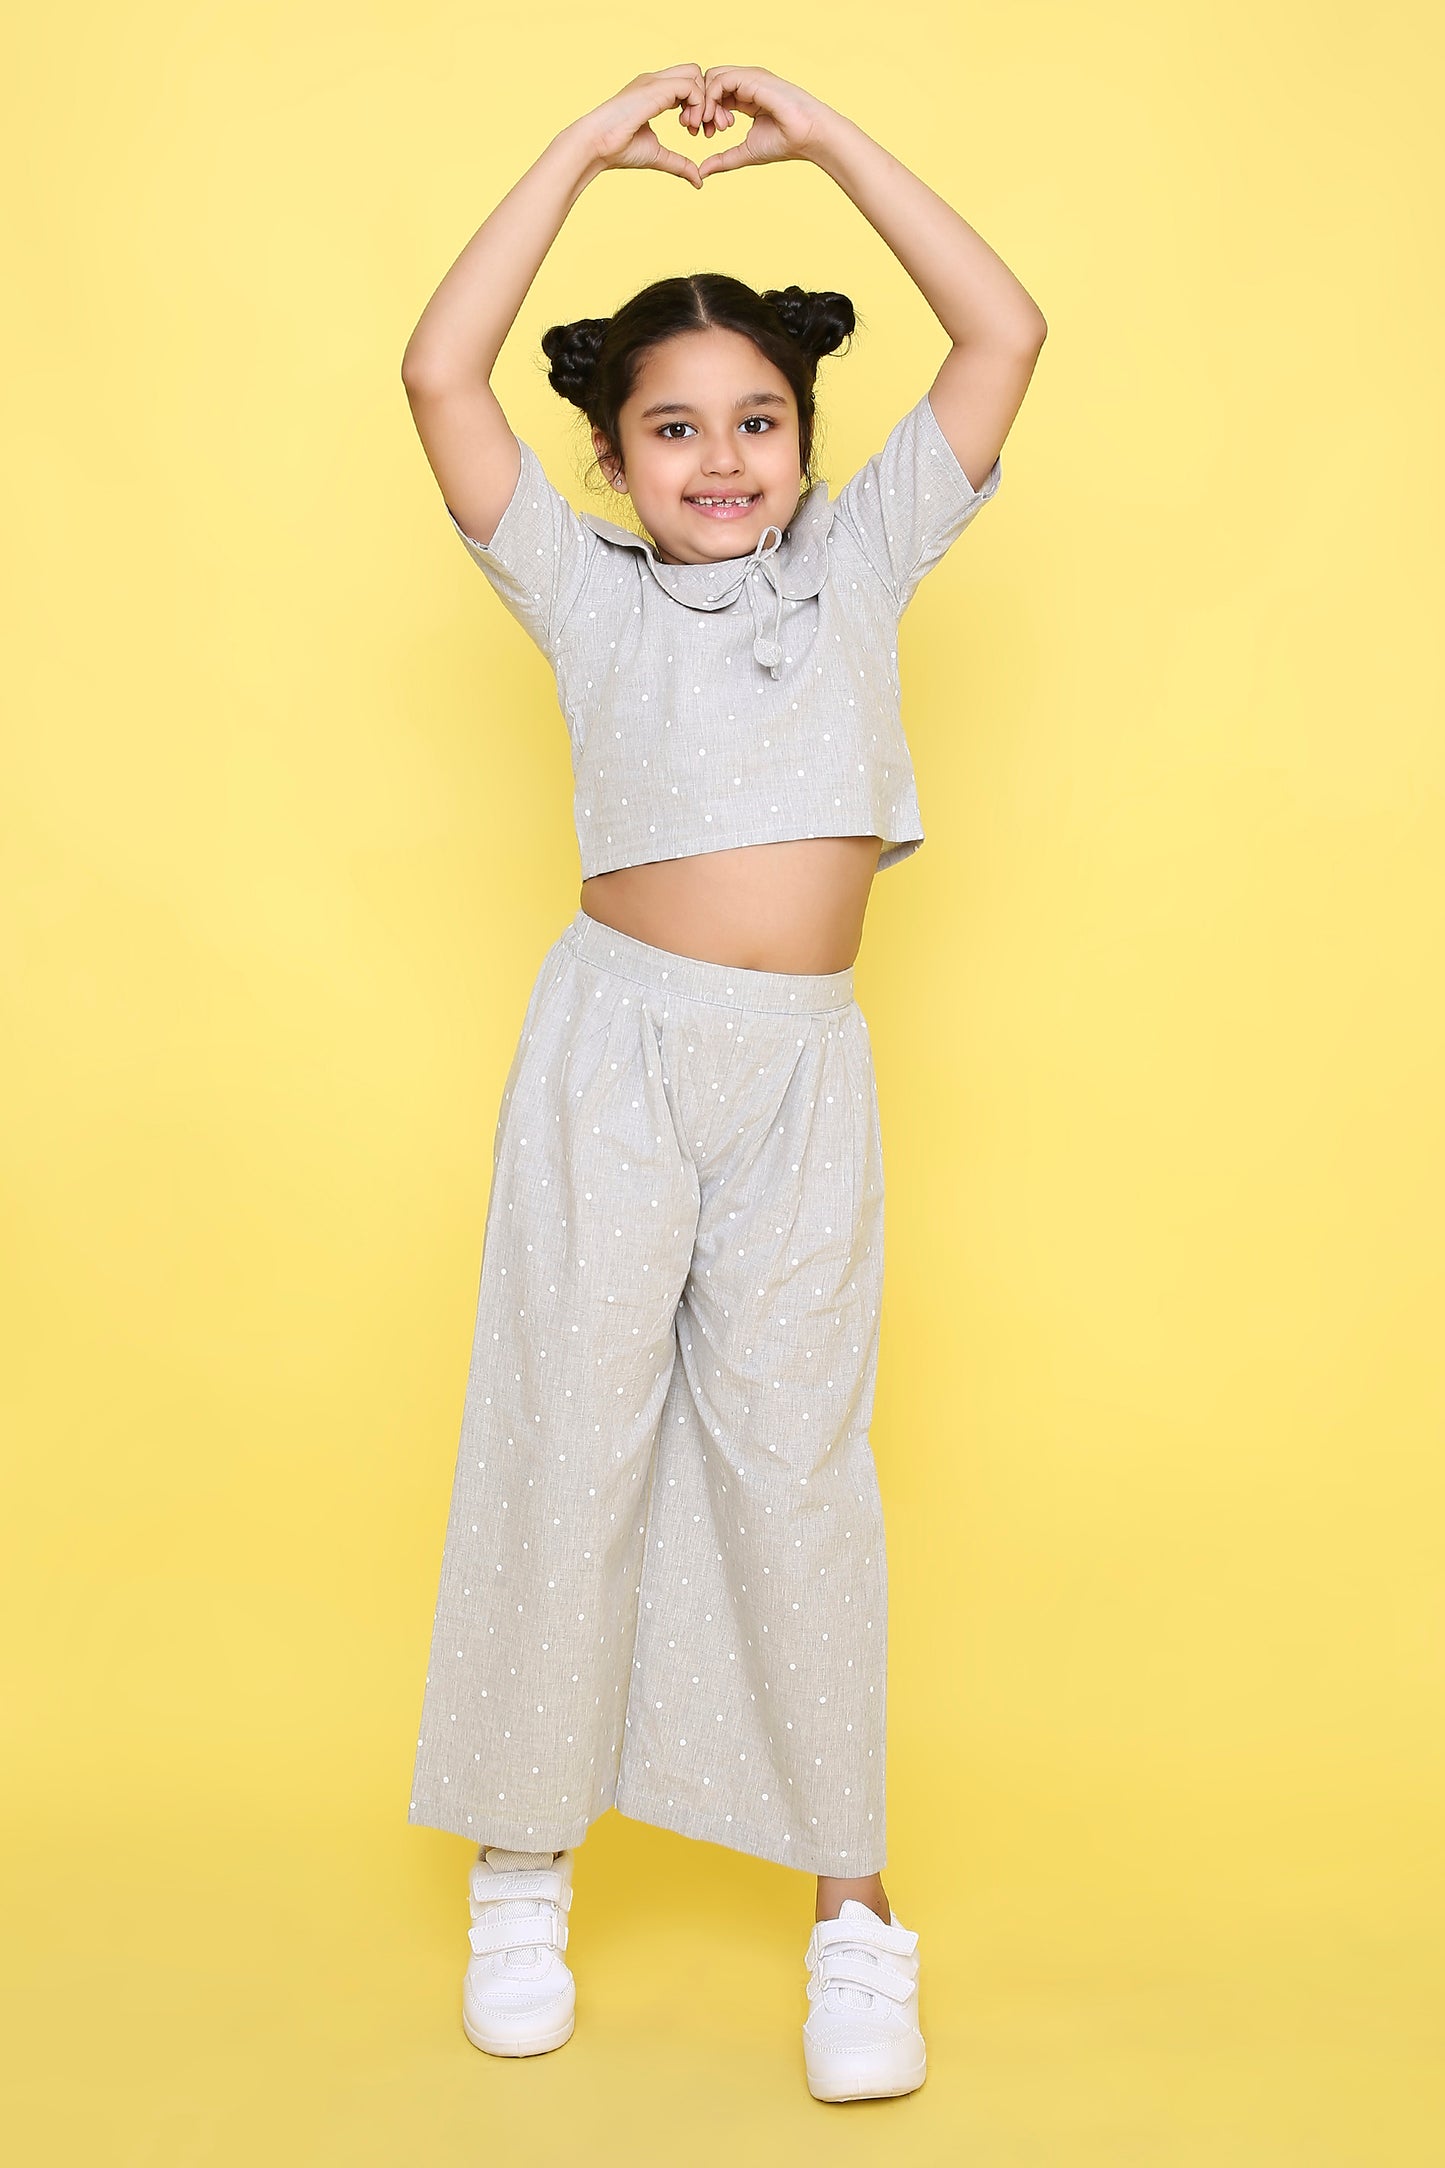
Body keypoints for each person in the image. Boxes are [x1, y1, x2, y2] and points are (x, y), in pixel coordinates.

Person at [399, 61, 1046, 2103]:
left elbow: (1007, 330)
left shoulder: (860, 564)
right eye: (673, 426)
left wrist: (831, 144)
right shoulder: (579, 591)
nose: (722, 455)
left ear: (803, 439)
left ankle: (856, 1916)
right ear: (613, 451)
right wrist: (584, 152)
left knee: (796, 1466)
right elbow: (435, 372)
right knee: (565, 1429)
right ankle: (524, 1858)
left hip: (797, 1083)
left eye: (756, 419)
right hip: (615, 1059)